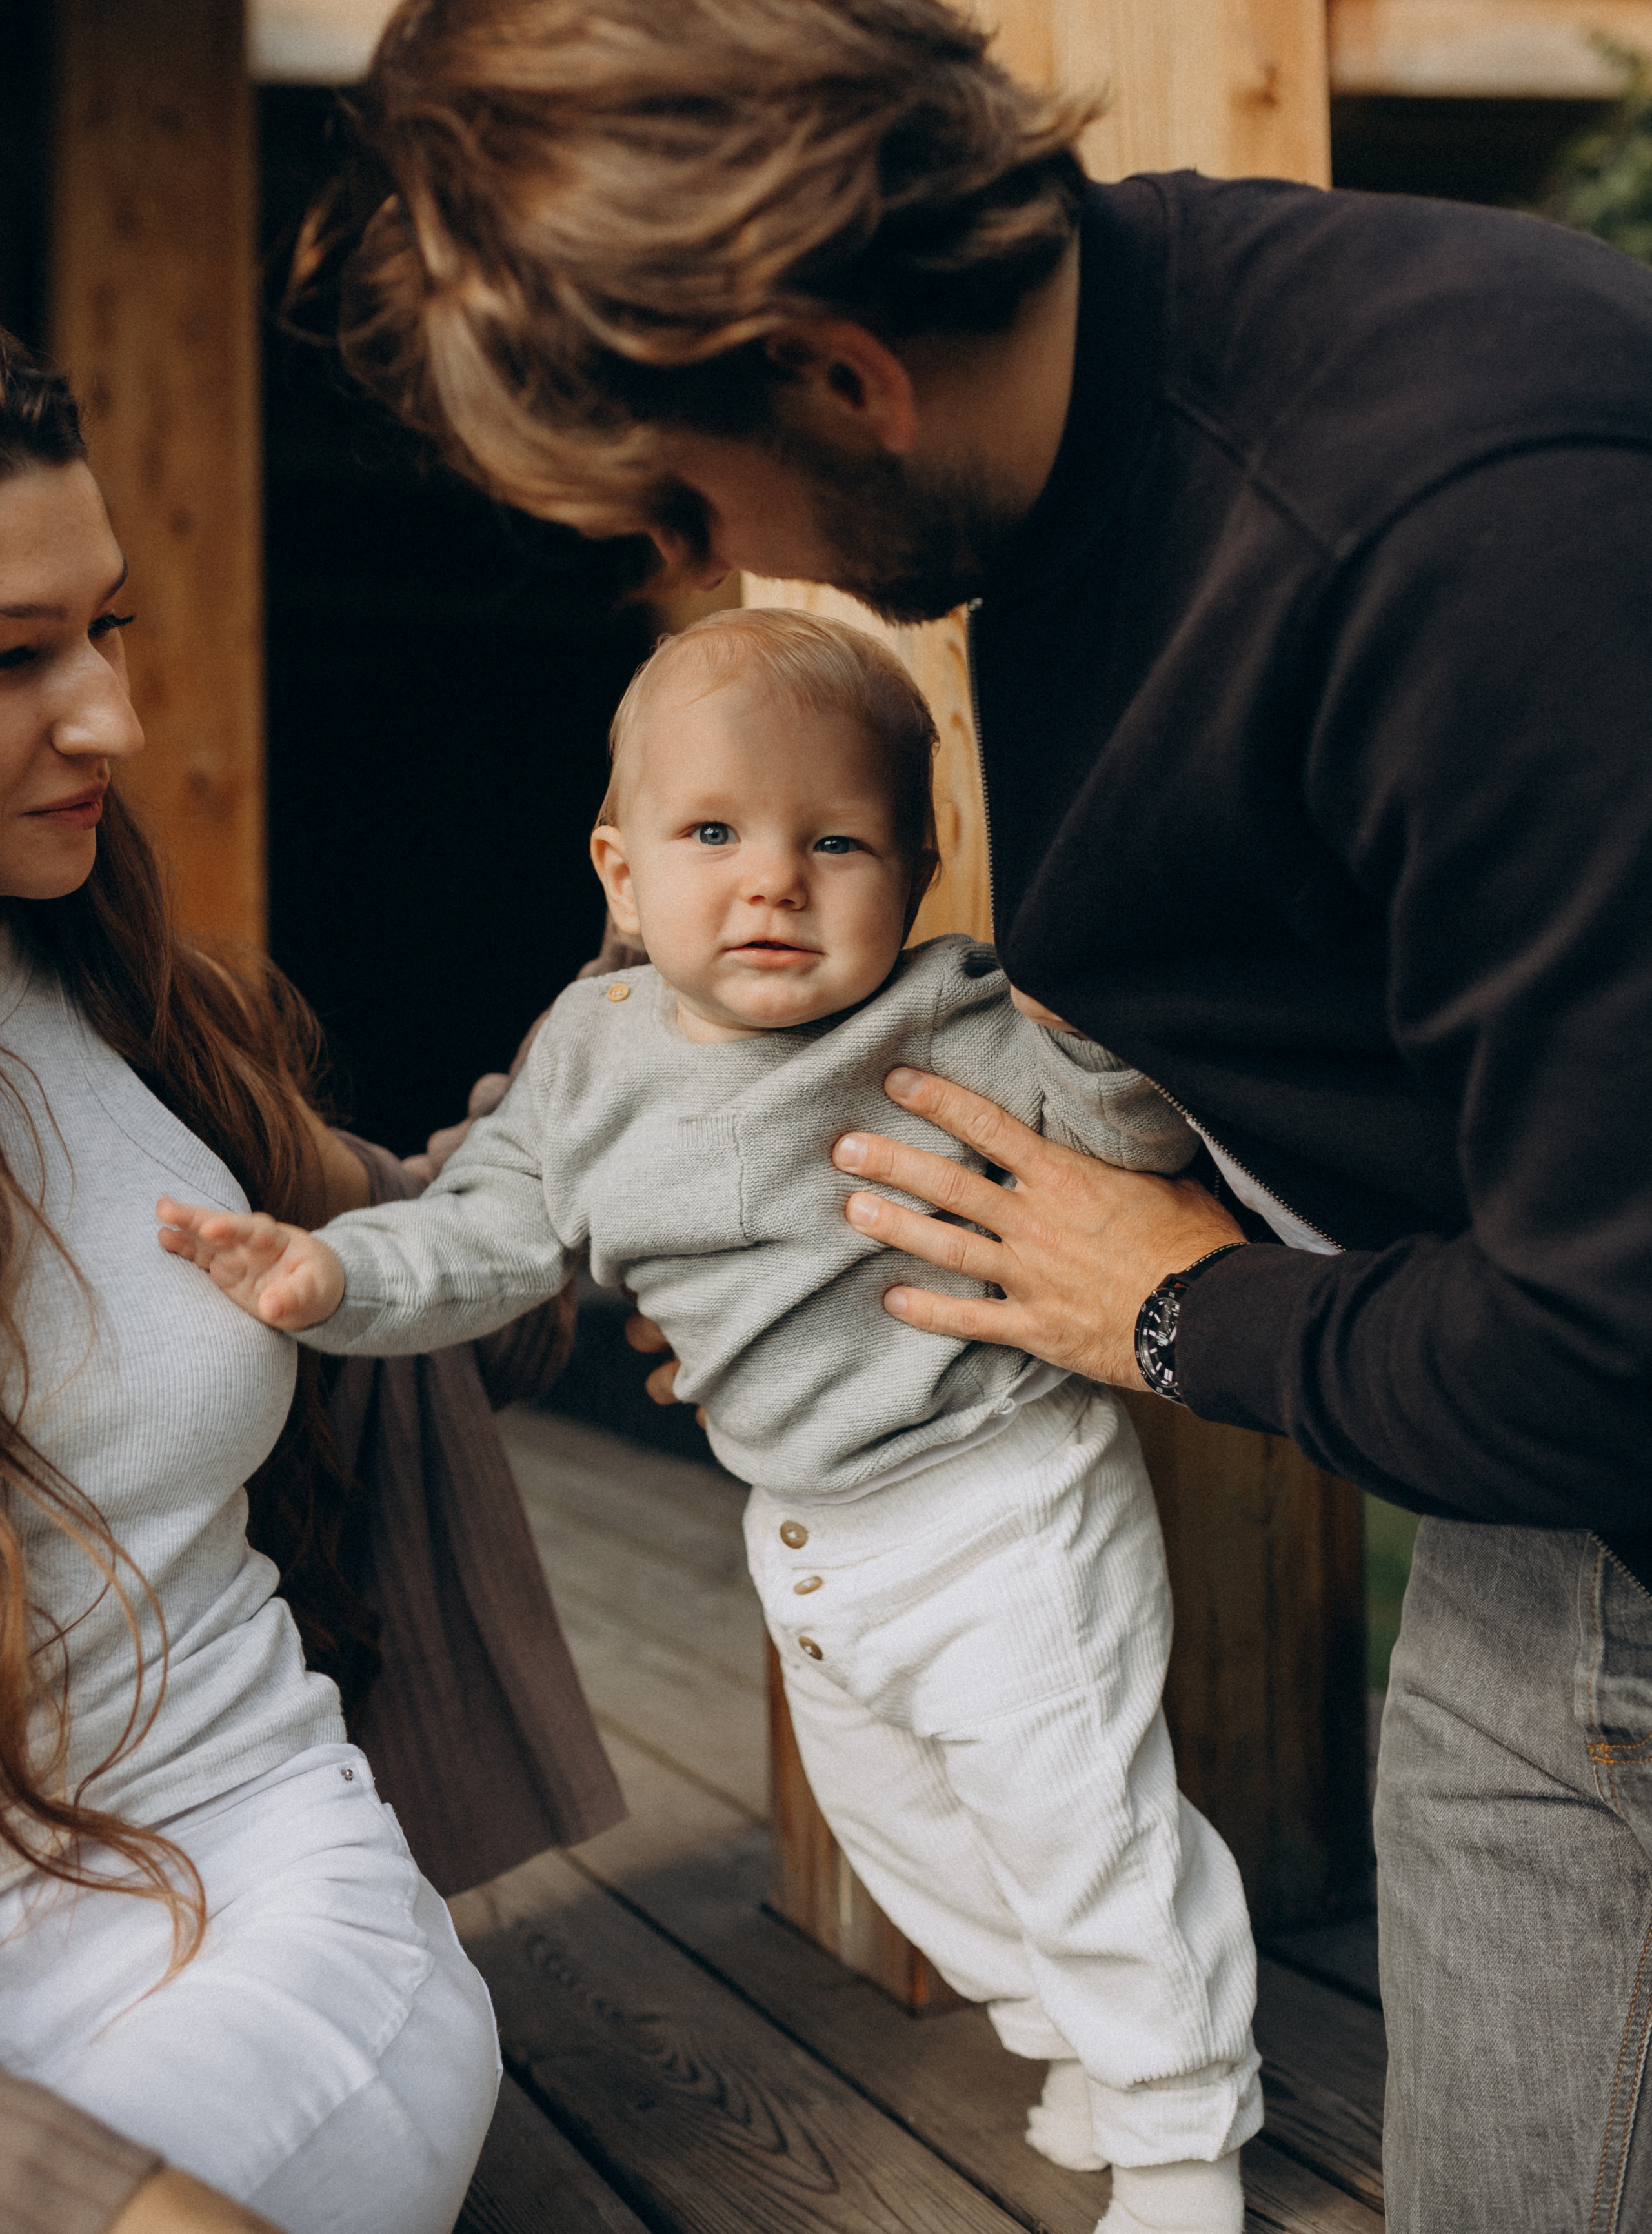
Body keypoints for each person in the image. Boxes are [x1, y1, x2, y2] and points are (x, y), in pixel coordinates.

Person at [296, 0, 1652, 2232]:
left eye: (680, 506)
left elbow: (1615, 1342)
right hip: (1523, 1460)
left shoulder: (1457, 538)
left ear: (840, 373)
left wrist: (1174, 1306)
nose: (687, 573)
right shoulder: (1097, 433)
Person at [160, 607, 1262, 2234]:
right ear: (619, 874)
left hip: (1002, 1503)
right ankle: (1074, 2036)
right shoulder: (585, 1057)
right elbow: (490, 1230)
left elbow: (1121, 1129)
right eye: (712, 835)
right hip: (807, 1542)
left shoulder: (954, 1019)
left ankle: (1178, 2139)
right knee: (912, 1842)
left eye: (835, 842)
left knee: (1083, 1826)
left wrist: (1094, 1026)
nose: (773, 884)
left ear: (918, 869)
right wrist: (337, 1276)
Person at [0, 327, 618, 2234]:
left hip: (246, 1914)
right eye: (13, 657)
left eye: (106, 628)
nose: (108, 719)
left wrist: (655, 1117)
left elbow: (431, 1242)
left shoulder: (120, 1002)